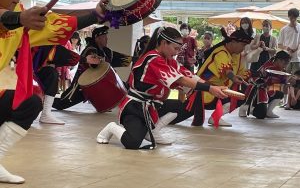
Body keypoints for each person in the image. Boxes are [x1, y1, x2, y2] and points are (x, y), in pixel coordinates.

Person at [0, 0, 107, 183]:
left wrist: (97, 15)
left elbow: (58, 23)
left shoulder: (20, 15)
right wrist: (18, 19)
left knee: (29, 103)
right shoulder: (18, 17)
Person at [96, 27, 227, 149]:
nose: (177, 52)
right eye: (175, 48)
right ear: (164, 43)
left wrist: (213, 87)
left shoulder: (169, 60)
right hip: (134, 107)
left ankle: (153, 131)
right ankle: (111, 127)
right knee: (133, 143)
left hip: (152, 105)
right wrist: (209, 89)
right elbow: (181, 80)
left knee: (183, 106)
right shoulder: (153, 59)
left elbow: (189, 75)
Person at [52, 26, 133, 111]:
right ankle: (43, 101)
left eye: (106, 37)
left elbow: (119, 58)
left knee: (125, 87)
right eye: (104, 37)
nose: (107, 39)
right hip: (82, 86)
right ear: (97, 39)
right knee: (62, 103)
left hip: (98, 85)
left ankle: (128, 109)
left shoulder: (106, 51)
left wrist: (136, 59)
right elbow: (93, 65)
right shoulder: (90, 49)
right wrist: (99, 61)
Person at [188, 27, 253, 127]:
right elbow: (227, 71)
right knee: (235, 97)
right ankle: (214, 118)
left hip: (216, 91)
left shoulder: (236, 55)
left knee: (241, 96)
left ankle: (215, 117)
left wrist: (253, 75)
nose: (243, 48)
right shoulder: (221, 52)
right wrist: (234, 78)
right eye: (242, 45)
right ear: (233, 42)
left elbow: (241, 72)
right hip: (202, 92)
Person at [239, 51, 291, 119]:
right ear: (278, 60)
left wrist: (288, 82)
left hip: (266, 89)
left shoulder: (280, 70)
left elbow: (280, 85)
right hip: (256, 90)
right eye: (285, 63)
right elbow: (263, 82)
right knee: (261, 115)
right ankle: (245, 107)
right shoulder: (268, 67)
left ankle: (269, 112)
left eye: (287, 63)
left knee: (280, 93)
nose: (286, 65)